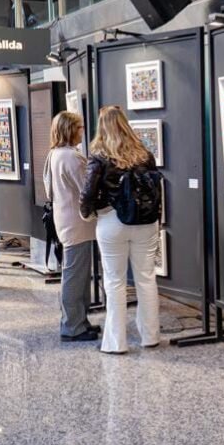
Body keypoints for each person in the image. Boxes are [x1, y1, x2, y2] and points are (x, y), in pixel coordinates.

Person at [81, 106, 162, 355]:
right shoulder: (144, 154)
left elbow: (88, 191)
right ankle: (150, 336)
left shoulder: (100, 155)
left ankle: (116, 343)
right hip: (146, 222)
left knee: (115, 281)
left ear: (101, 126)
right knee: (146, 278)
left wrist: (86, 212)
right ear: (125, 124)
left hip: (112, 221)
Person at [44, 112, 100, 342]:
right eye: (79, 127)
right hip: (78, 223)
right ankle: (72, 326)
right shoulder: (72, 157)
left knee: (76, 273)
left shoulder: (53, 154)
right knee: (75, 275)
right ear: (69, 129)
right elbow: (87, 190)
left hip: (65, 220)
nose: (82, 131)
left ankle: (79, 321)